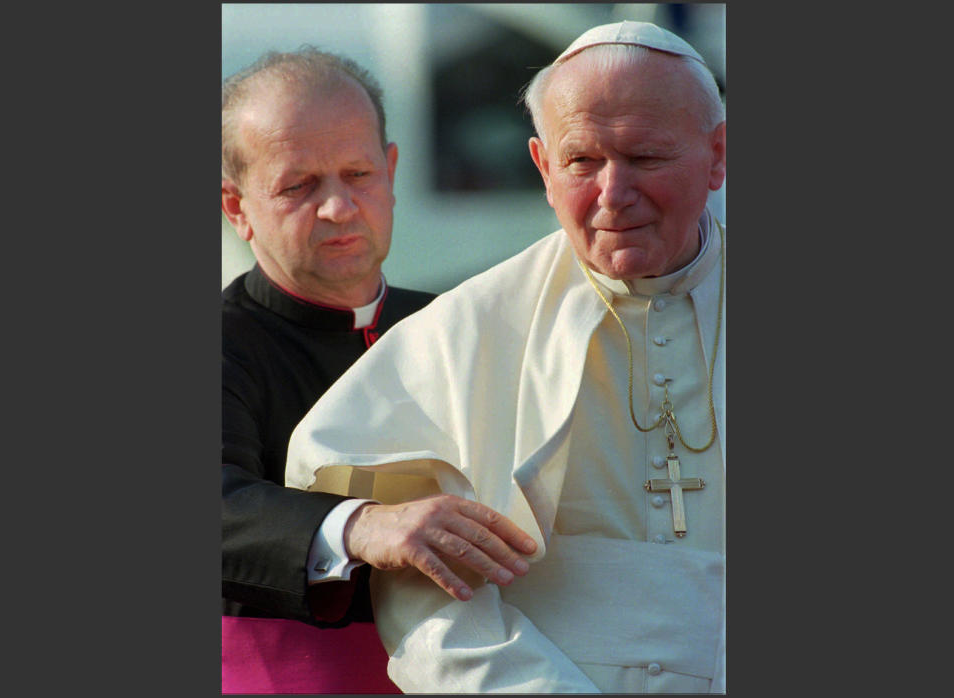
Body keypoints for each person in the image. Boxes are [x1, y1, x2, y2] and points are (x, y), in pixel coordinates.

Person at [285, 21, 727, 694]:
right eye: (582, 161)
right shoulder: (460, 337)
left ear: (718, 155)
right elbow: (430, 609)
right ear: (543, 167)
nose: (613, 193)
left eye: (645, 157)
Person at [220, 47, 538, 694]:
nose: (338, 207)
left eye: (357, 173)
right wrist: (362, 524)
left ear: (390, 171)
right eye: (297, 186)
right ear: (236, 207)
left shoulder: (464, 325)